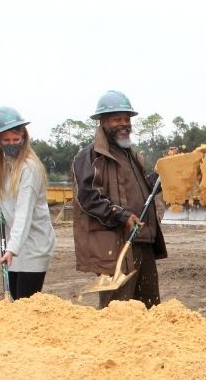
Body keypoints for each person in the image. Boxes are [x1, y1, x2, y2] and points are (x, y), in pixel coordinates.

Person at [71, 90, 166, 309]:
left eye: (127, 119)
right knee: (118, 310)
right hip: (115, 246)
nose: (124, 123)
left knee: (149, 307)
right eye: (117, 119)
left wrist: (165, 174)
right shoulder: (90, 157)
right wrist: (121, 216)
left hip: (142, 242)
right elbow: (89, 198)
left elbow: (144, 190)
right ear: (102, 121)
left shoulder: (131, 155)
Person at [0, 106, 56, 300]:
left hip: (33, 246)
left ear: (24, 138)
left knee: (25, 306)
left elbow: (23, 213)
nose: (11, 144)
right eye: (6, 140)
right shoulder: (4, 168)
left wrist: (12, 248)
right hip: (15, 247)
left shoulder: (29, 168)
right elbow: (9, 207)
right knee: (15, 304)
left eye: (16, 140)